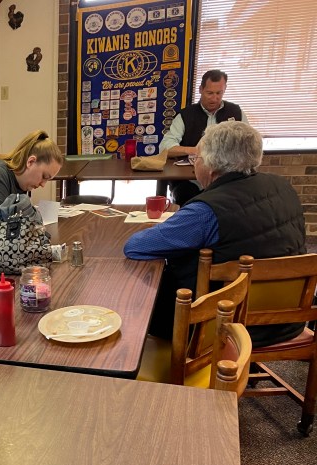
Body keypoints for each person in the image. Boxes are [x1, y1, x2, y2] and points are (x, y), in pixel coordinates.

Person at [125, 121, 305, 345]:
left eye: (196, 158)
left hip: (221, 326)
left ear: (211, 166)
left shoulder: (206, 211)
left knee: (136, 297)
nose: (194, 166)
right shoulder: (282, 187)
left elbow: (136, 246)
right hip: (287, 318)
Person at [159, 69, 248, 205]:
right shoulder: (186, 115)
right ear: (201, 90)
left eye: (219, 93)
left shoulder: (236, 113)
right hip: (190, 181)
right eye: (210, 93)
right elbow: (164, 148)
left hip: (226, 179)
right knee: (187, 197)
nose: (214, 98)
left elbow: (248, 145)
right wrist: (195, 150)